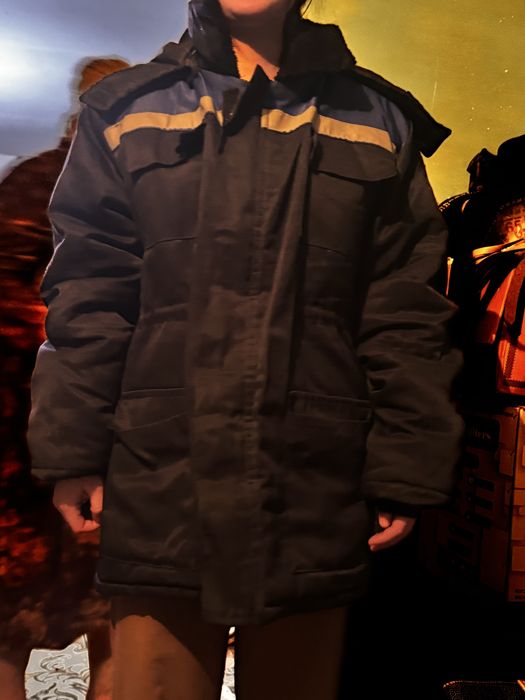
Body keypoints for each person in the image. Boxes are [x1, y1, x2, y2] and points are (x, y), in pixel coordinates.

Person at [27, 1, 463, 698]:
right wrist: (74, 447)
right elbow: (89, 293)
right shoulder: (126, 109)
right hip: (159, 475)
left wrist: (404, 464)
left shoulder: (377, 118)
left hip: (314, 481)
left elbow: (402, 309)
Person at [0, 57, 128, 700]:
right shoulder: (111, 189)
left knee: (21, 614)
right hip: (58, 429)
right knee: (109, 611)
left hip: (42, 429)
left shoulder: (36, 180)